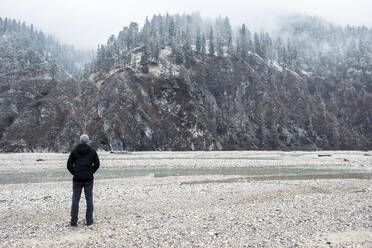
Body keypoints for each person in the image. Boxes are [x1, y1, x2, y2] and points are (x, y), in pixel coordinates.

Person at [67, 134, 100, 226]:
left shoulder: (74, 151)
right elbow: (97, 164)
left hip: (77, 179)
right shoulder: (92, 152)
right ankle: (89, 221)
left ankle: (73, 221)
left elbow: (69, 165)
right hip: (88, 179)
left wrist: (75, 173)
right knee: (89, 200)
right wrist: (91, 172)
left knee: (75, 200)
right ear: (88, 141)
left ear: (80, 141)